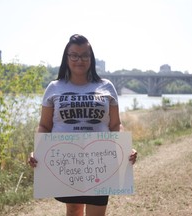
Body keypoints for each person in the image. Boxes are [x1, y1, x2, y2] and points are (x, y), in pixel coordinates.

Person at [29, 34, 137, 216]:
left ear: (91, 58)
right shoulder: (54, 88)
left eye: (85, 55)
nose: (80, 60)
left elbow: (116, 124)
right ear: (67, 57)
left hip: (100, 160)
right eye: (74, 55)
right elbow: (44, 126)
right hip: (67, 162)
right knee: (73, 210)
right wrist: (38, 151)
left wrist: (126, 147)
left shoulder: (107, 86)